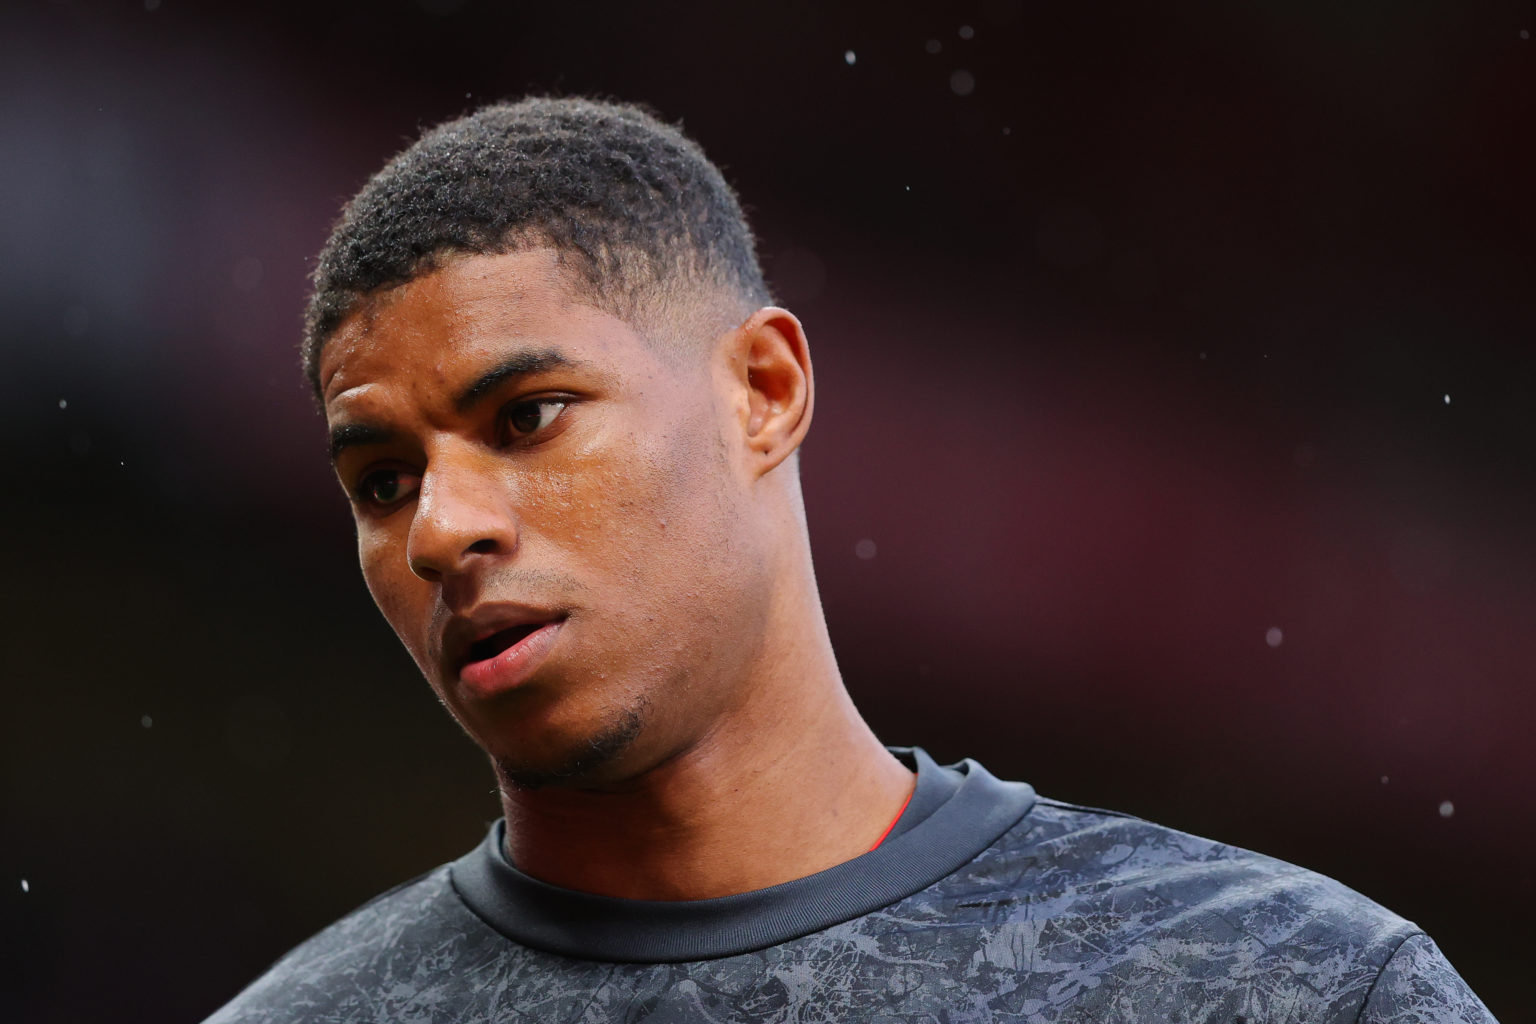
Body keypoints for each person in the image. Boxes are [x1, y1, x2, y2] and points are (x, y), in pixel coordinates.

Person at [205, 97, 1495, 1023]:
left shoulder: (1275, 987)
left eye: (527, 417)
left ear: (762, 391)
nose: (439, 530)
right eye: (384, 481)